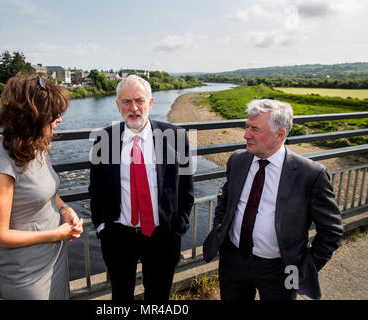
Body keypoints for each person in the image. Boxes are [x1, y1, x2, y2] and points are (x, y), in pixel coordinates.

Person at [203, 99, 343, 300]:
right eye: (246, 127)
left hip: (280, 270)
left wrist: (303, 269)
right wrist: (220, 228)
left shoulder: (310, 174)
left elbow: (332, 231)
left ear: (280, 134)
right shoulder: (237, 160)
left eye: (255, 129)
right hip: (233, 261)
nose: (246, 135)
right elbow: (225, 200)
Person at [89, 75, 194, 301]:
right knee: (121, 295)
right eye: (126, 102)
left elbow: (186, 188)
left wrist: (178, 228)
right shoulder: (104, 139)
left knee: (158, 296)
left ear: (151, 103)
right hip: (118, 237)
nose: (133, 108)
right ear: (118, 106)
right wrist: (102, 228)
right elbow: (95, 189)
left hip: (163, 236)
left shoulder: (176, 137)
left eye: (139, 100)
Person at [0, 75, 83, 300]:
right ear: (32, 118)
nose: (59, 120)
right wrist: (56, 234)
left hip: (53, 261)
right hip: (27, 276)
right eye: (54, 115)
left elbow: (45, 191)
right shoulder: (1, 166)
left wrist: (64, 209)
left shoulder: (35, 149)